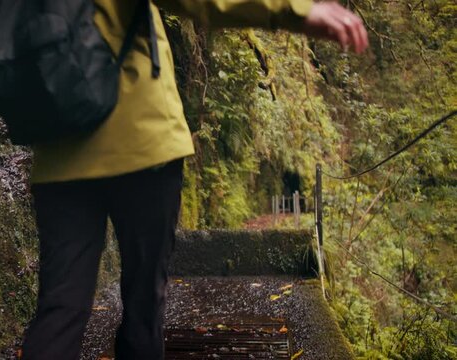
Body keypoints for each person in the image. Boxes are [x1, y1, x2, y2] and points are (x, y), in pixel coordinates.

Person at [20, 0, 368, 359]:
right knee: (143, 307)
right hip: (142, 142)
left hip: (58, 148)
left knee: (59, 308)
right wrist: (296, 10)